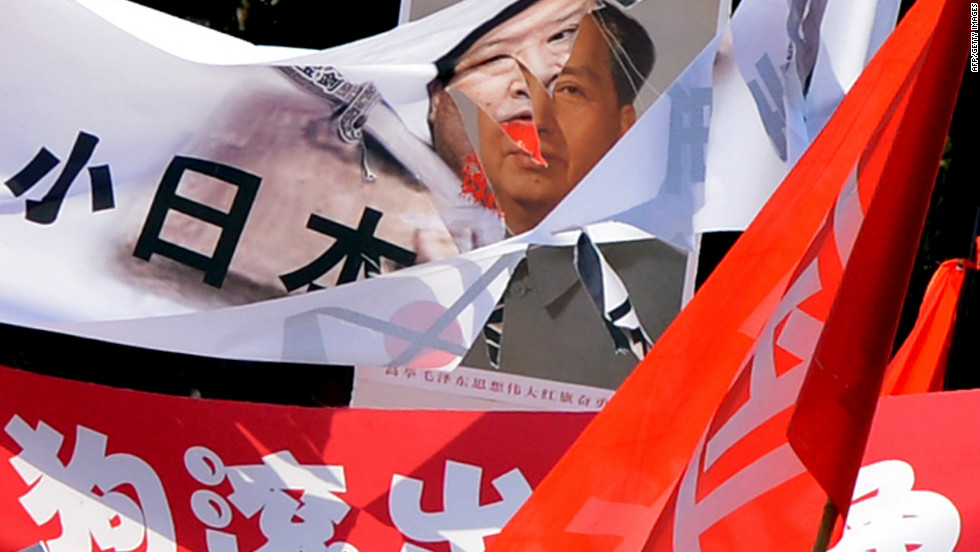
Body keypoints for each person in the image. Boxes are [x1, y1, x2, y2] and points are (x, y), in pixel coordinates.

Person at [429, 1, 686, 389]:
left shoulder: (676, 298)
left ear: (624, 126)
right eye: (510, 83)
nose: (535, 117)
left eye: (568, 89)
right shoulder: (406, 259)